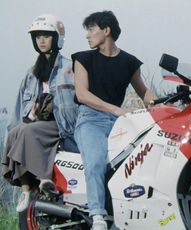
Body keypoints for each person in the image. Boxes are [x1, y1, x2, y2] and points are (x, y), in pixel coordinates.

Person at [72, 10, 156, 230]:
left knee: (135, 165)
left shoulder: (128, 62)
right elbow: (82, 94)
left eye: (91, 29)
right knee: (96, 162)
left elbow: (145, 93)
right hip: (90, 119)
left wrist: (166, 106)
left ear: (106, 30)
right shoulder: (83, 58)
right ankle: (97, 216)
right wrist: (116, 110)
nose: (87, 35)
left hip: (120, 122)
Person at [1, 14, 78, 212]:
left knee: (28, 132)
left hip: (60, 125)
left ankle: (44, 178)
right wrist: (15, 129)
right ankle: (26, 190)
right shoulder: (31, 71)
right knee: (14, 133)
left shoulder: (70, 68)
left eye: (46, 35)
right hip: (36, 122)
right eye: (37, 37)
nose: (41, 40)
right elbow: (20, 106)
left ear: (57, 38)